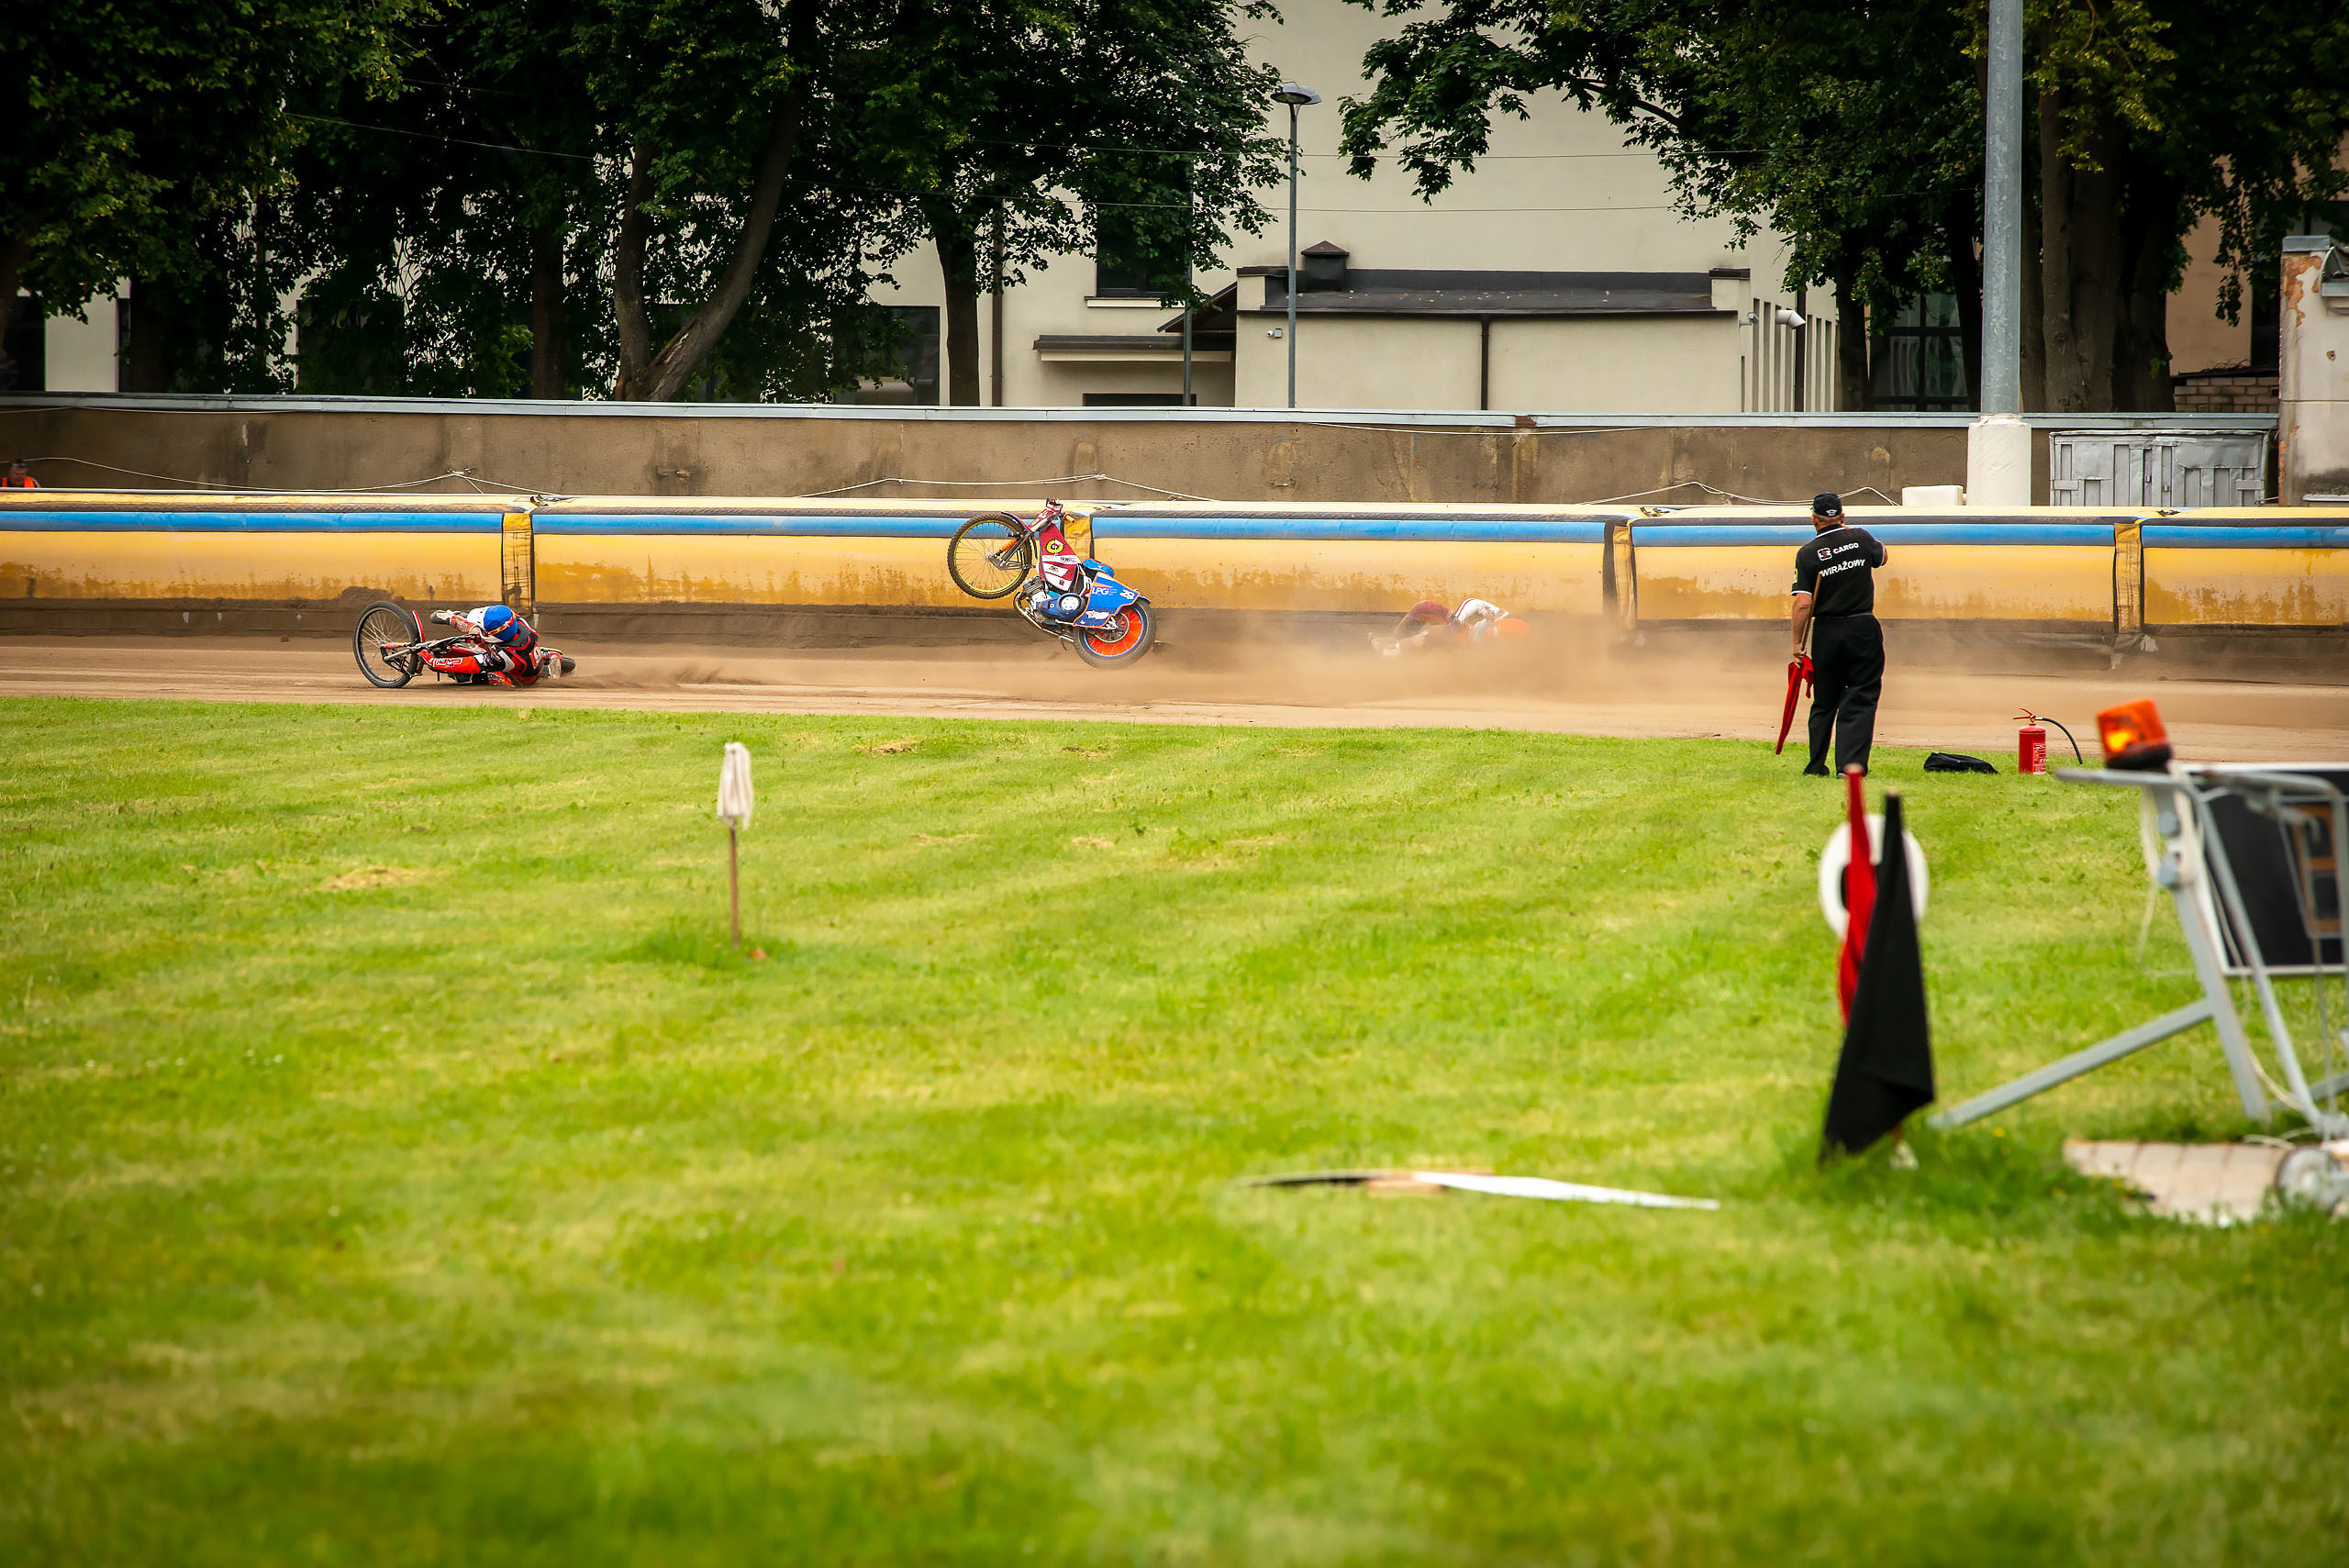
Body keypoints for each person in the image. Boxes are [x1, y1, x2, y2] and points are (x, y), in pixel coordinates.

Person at [1789, 491, 1887, 776]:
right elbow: (1883, 556)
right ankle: (1850, 766)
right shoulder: (1860, 536)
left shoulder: (1807, 553)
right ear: (1842, 516)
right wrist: (1851, 538)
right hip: (1862, 627)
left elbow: (1803, 602)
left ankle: (1816, 764)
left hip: (1827, 631)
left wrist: (1797, 643)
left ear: (1813, 519)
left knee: (1825, 700)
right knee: (1861, 695)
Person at [429, 602, 552, 685]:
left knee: (468, 675)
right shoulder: (519, 622)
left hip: (515, 678)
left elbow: (472, 664)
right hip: (521, 653)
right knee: (478, 635)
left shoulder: (504, 657)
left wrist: (433, 662)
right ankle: (454, 618)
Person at [1374, 596, 1530, 656]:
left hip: (1467, 657)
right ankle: (1392, 646)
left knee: (1435, 635)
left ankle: (1389, 652)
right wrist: (1455, 623)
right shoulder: (1510, 621)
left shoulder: (1519, 637)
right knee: (1425, 608)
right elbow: (1475, 603)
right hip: (1463, 637)